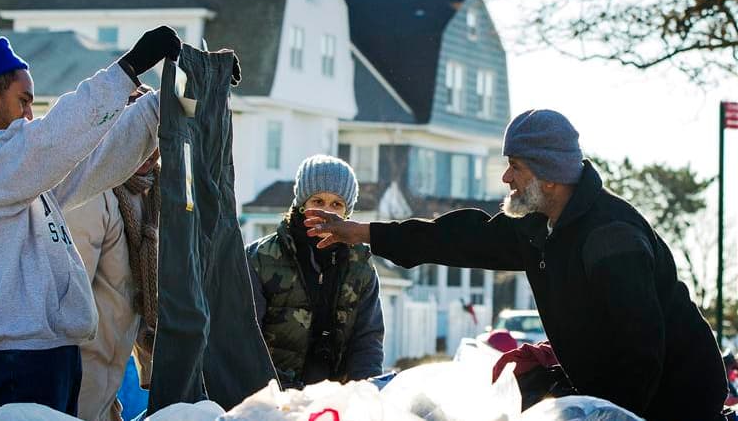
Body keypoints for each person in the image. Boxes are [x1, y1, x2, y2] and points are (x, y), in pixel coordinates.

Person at [304, 109, 728, 420]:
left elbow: (640, 352)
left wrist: (606, 414)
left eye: (515, 167)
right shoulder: (539, 227)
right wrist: (361, 232)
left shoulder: (610, 237)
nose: (506, 178)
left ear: (549, 176)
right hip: (612, 389)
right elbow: (455, 238)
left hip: (676, 399)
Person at [0, 25, 180, 415]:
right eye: (24, 101)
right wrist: (127, 70)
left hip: (47, 356)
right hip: (18, 361)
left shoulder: (16, 170)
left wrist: (162, 106)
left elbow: (95, 162)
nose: (30, 116)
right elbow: (53, 139)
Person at [245, 155, 384, 389]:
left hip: (335, 402)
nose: (326, 213)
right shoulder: (259, 258)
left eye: (336, 205)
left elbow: (367, 341)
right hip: (271, 399)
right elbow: (246, 339)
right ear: (302, 204)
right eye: (318, 201)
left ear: (347, 213)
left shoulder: (360, 264)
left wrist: (365, 394)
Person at [66, 86, 160, 421]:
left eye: (155, 137)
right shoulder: (93, 193)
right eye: (138, 135)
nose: (148, 149)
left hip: (112, 372)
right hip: (81, 368)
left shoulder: (152, 195)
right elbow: (69, 293)